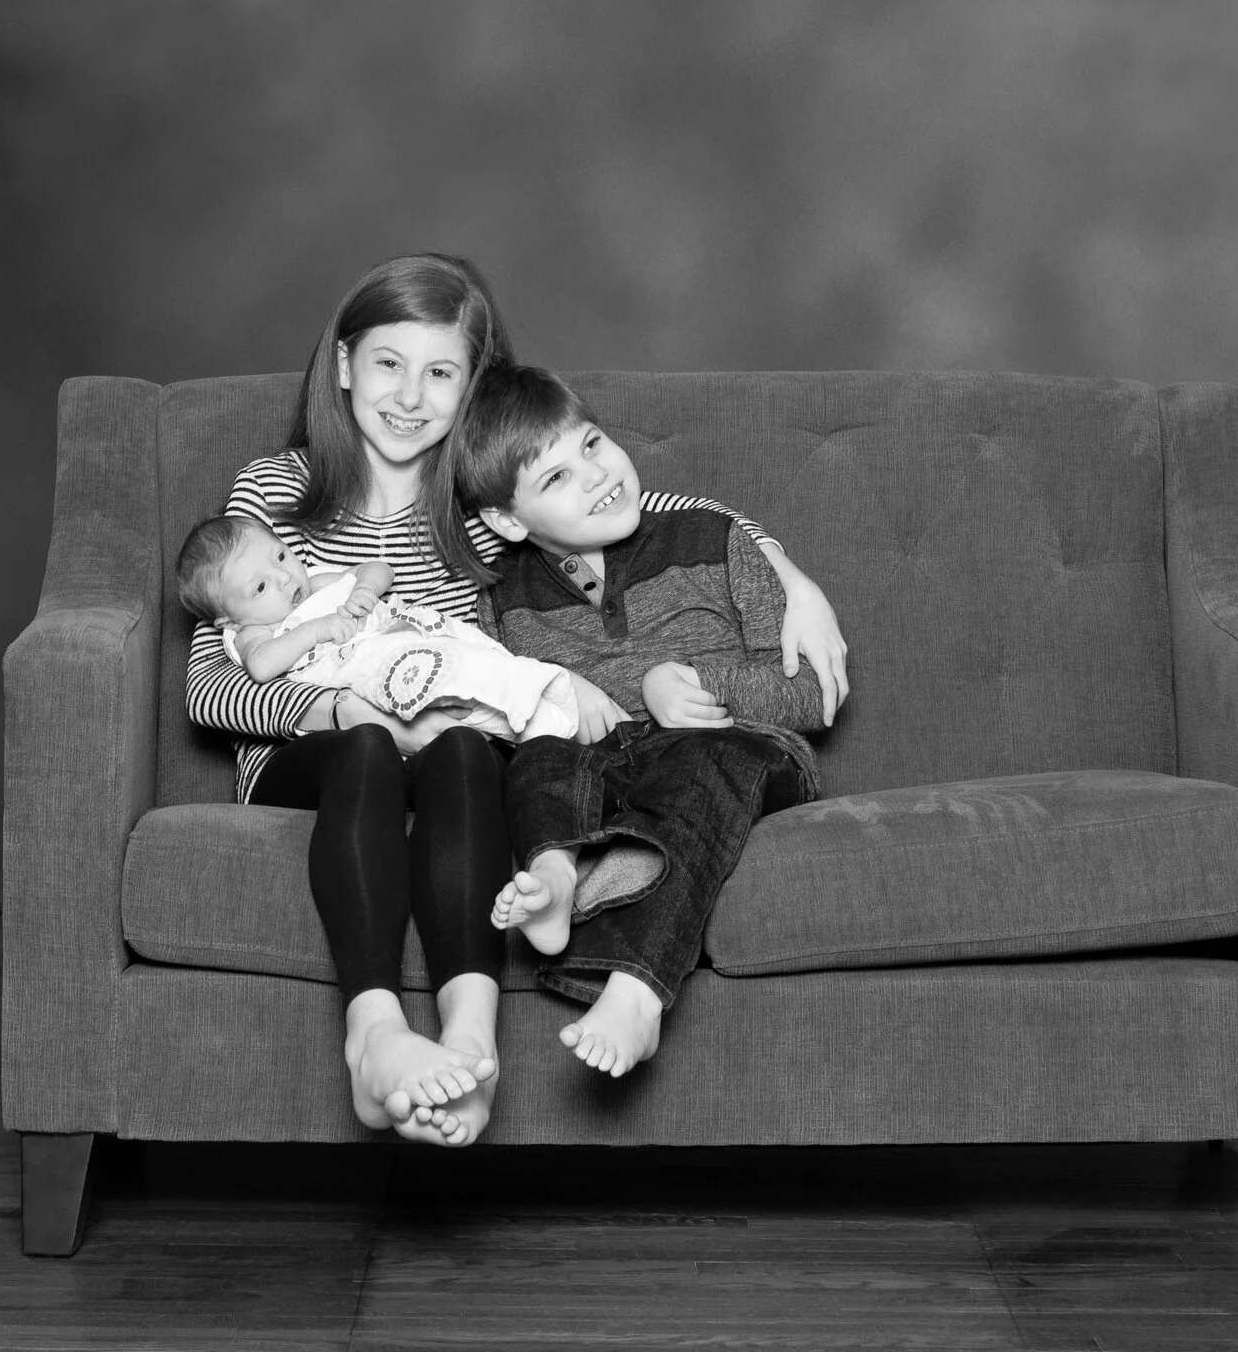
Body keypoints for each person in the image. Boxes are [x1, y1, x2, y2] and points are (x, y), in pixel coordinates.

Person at [184, 252, 850, 1146]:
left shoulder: (474, 503)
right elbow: (210, 687)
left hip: (448, 742)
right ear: (342, 364)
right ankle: (373, 1040)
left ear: (471, 389)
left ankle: (471, 1046)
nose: (410, 396)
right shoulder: (273, 491)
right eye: (388, 364)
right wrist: (341, 712)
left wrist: (782, 568)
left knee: (466, 749)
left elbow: (626, 503)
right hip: (321, 752)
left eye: (441, 373)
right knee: (373, 747)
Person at [453, 364, 837, 1078]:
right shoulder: (500, 599)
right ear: (508, 521)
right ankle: (555, 874)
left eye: (592, 445)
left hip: (737, 754)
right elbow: (488, 714)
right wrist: (550, 687)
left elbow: (813, 694)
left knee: (698, 764)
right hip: (609, 771)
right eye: (557, 478)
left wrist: (689, 683)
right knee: (541, 752)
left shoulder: (711, 538)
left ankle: (635, 993)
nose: (598, 476)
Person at [176, 515, 576, 740]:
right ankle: (531, 722)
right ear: (229, 619)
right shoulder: (253, 632)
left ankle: (537, 692)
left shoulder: (313, 581)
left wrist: (364, 589)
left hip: (405, 631)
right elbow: (261, 667)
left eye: (280, 556)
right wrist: (315, 630)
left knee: (470, 651)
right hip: (371, 671)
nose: (283, 577)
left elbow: (378, 569)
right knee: (452, 690)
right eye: (260, 587)